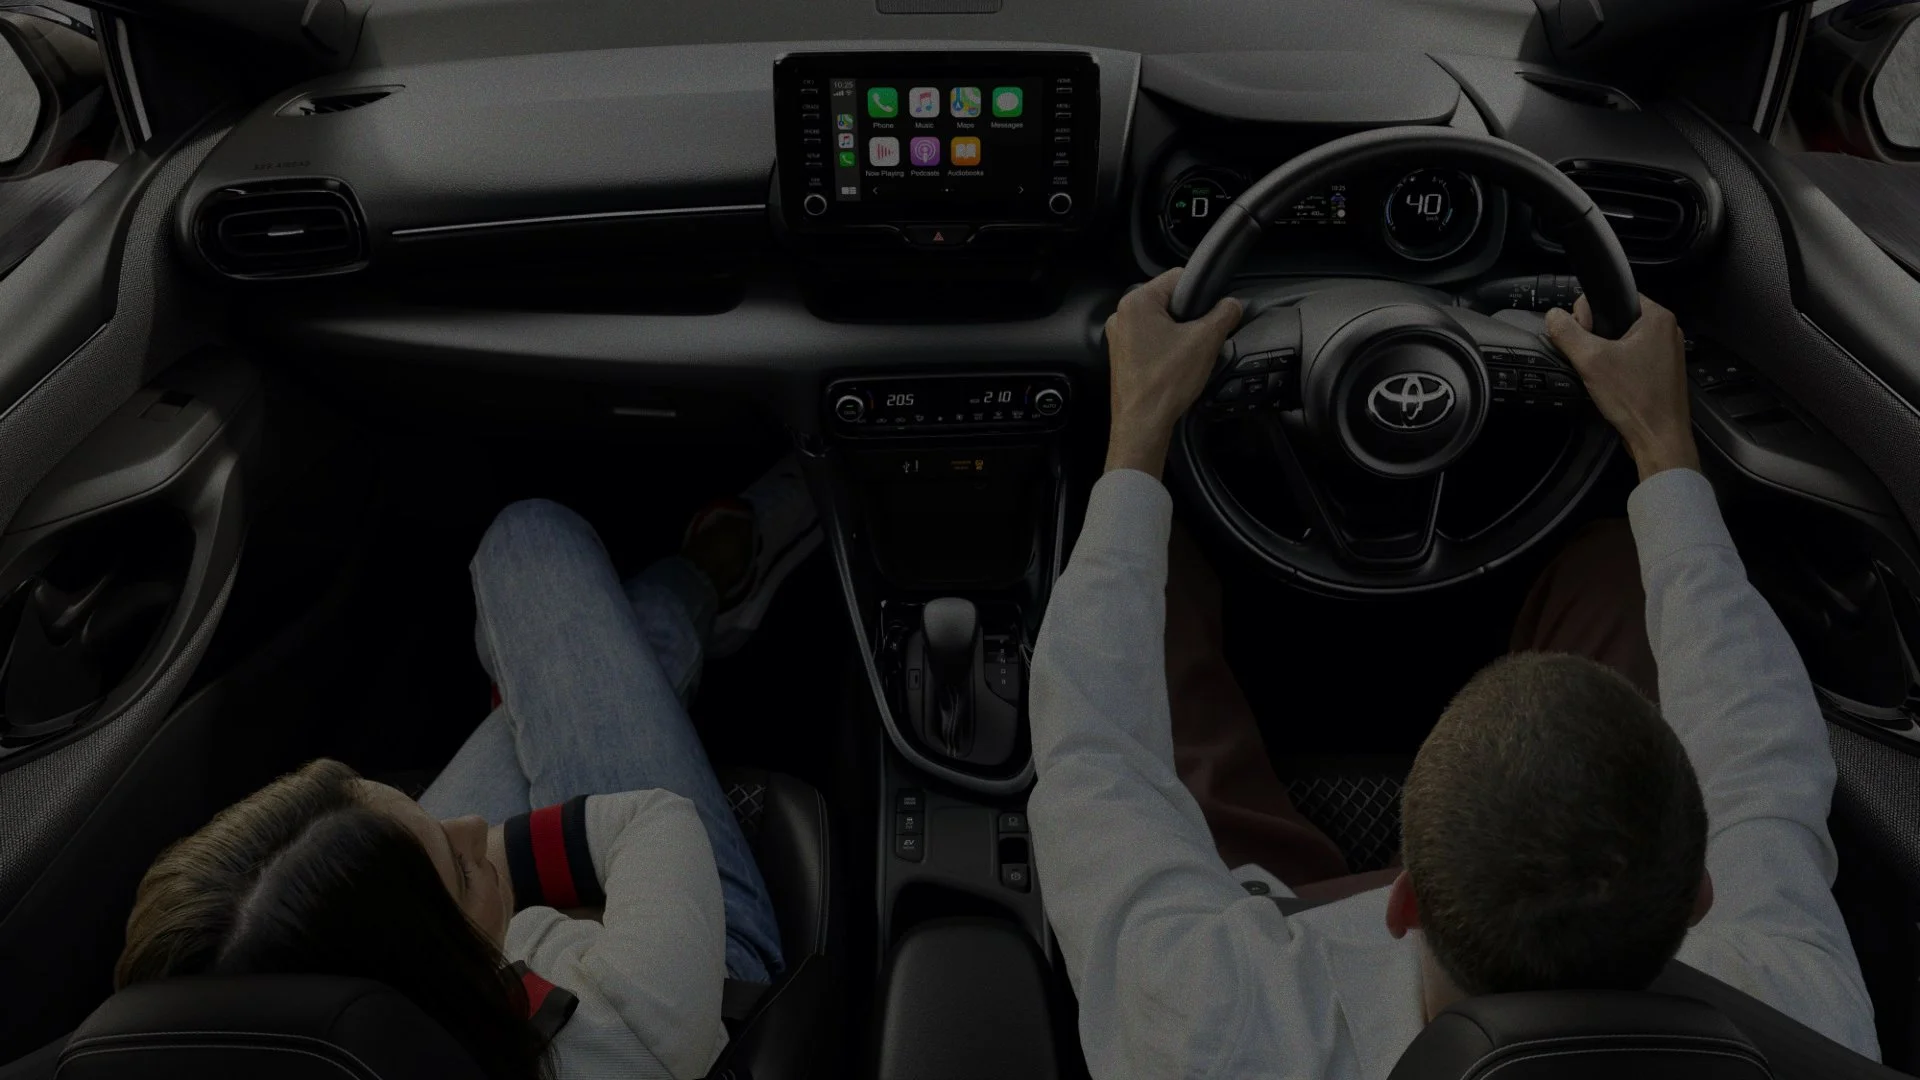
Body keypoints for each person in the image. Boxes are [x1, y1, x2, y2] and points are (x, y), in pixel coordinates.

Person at [1027, 268, 1881, 1079]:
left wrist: (1139, 429)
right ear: (1699, 896)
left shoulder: (1217, 1017)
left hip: (1281, 911)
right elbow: (1757, 748)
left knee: (1166, 609)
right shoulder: (1799, 1013)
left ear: (1402, 903)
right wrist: (1663, 443)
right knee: (1613, 567)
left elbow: (1098, 760)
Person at [115, 459, 824, 1080]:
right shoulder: (632, 1024)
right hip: (705, 973)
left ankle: (642, 631)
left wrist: (468, 882)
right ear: (436, 978)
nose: (474, 824)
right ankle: (709, 580)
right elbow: (654, 816)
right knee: (531, 541)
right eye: (455, 869)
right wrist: (542, 886)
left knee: (572, 664)